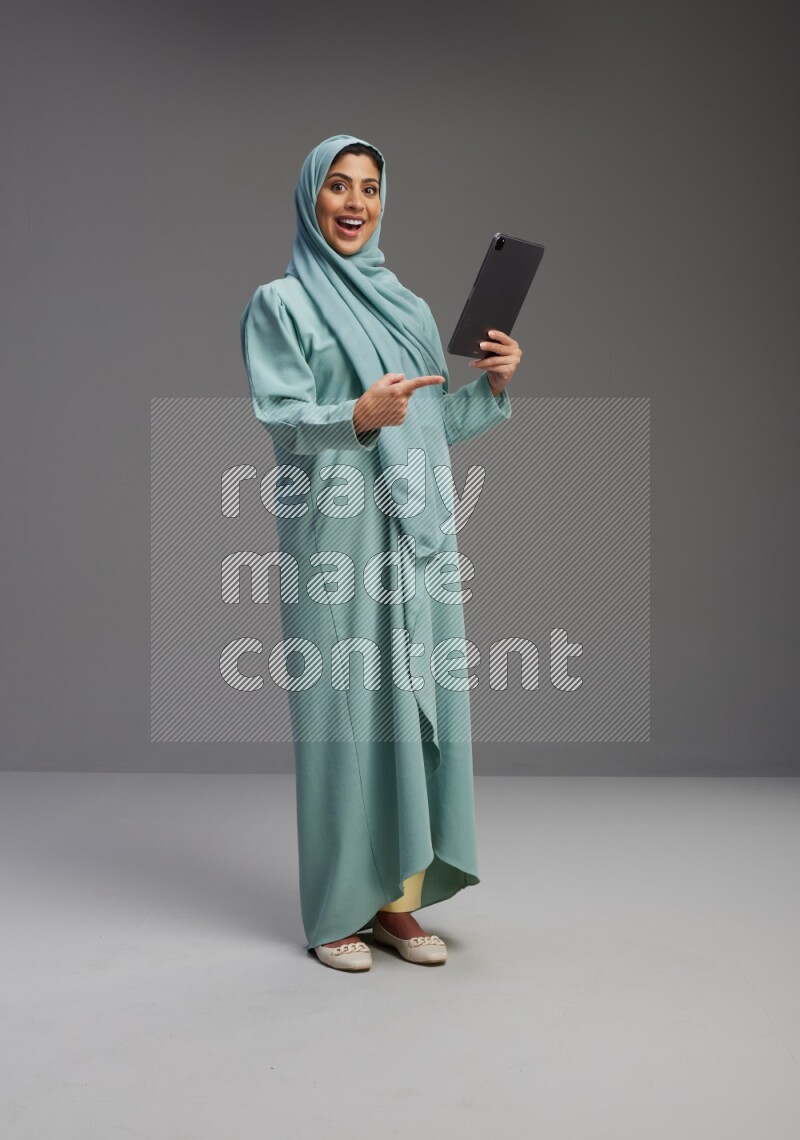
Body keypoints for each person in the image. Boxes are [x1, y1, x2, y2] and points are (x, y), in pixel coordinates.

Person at [239, 134, 522, 971]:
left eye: (369, 187)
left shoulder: (410, 309)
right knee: (342, 729)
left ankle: (396, 902)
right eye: (337, 186)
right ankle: (335, 911)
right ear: (310, 199)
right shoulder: (280, 304)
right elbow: (282, 419)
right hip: (334, 542)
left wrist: (492, 392)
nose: (355, 202)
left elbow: (430, 433)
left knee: (409, 726)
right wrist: (355, 416)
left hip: (417, 540)